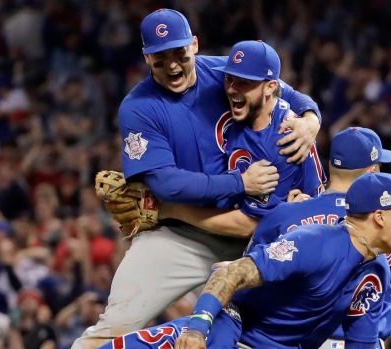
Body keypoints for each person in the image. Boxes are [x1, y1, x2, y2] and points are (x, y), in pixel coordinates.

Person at [72, 8, 322, 349]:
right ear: (147, 57)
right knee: (113, 327)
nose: (173, 66)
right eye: (161, 59)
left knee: (297, 322)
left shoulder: (223, 72)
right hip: (181, 236)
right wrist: (240, 183)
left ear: (194, 44)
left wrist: (311, 119)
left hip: (251, 233)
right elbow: (166, 185)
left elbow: (282, 91)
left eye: (180, 54)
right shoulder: (139, 107)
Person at [97, 172, 391, 349]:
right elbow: (231, 274)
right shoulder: (314, 242)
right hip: (231, 329)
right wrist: (198, 329)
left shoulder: (376, 272)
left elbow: (361, 342)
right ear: (380, 217)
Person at [246, 127, 391, 349]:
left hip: (285, 337)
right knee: (371, 281)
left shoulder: (284, 213)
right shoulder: (386, 218)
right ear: (373, 170)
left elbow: (249, 273)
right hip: (356, 337)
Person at [156, 40, 325, 234]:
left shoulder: (282, 142)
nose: (231, 88)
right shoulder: (256, 113)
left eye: (244, 82)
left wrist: (171, 210)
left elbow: (249, 226)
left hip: (288, 243)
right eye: (229, 78)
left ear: (270, 87)